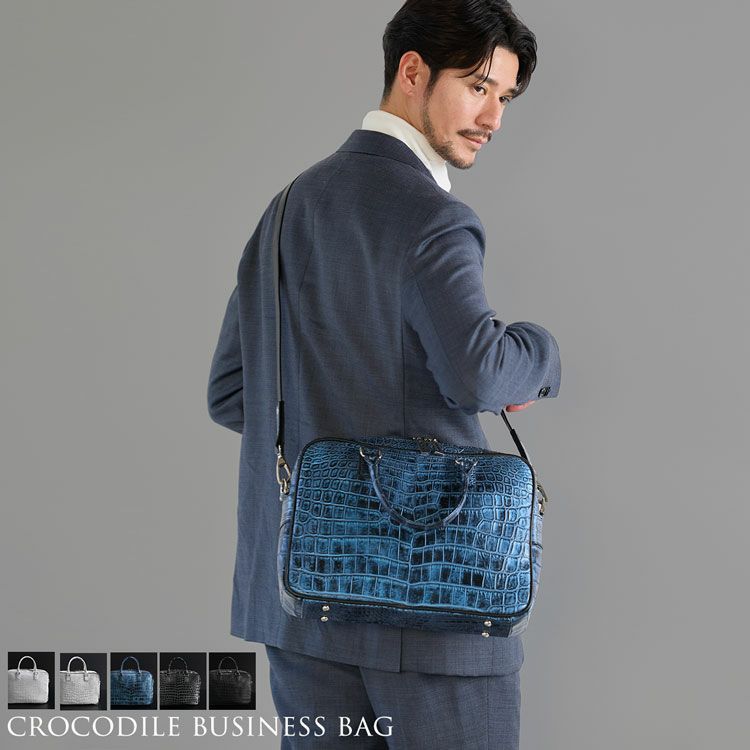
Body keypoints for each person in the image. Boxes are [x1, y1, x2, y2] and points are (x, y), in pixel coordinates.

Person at [207, 1, 561, 747]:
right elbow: (479, 375)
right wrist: (540, 353)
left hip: (303, 604)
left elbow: (233, 393)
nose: (493, 117)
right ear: (412, 71)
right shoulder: (431, 218)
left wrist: (334, 446)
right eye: (477, 87)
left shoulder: (287, 210)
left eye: (504, 96)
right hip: (430, 605)